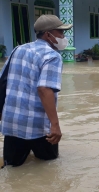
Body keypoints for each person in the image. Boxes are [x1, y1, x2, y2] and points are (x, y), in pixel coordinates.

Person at [1, 15, 72, 167]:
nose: (63, 37)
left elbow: (3, 82)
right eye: (60, 32)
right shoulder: (52, 56)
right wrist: (55, 125)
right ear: (48, 34)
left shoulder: (17, 49)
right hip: (38, 126)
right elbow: (44, 89)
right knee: (48, 169)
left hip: (12, 123)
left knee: (12, 169)